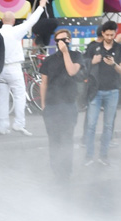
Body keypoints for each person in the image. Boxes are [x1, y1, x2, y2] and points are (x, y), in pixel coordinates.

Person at [0, 0, 48, 136]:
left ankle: (2, 126)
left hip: (0, 69)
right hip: (14, 67)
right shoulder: (15, 31)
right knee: (19, 96)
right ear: (13, 21)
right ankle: (18, 124)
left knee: (2, 98)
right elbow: (31, 21)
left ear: (1, 20)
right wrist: (41, 6)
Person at [38, 28, 83, 183]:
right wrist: (43, 105)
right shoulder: (49, 60)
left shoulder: (76, 56)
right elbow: (44, 83)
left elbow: (72, 71)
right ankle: (56, 170)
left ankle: (66, 171)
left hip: (69, 105)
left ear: (69, 40)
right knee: (54, 139)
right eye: (57, 41)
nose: (60, 43)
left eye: (63, 40)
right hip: (52, 106)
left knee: (67, 139)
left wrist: (65, 53)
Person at [82, 21, 121, 166]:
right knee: (91, 125)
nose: (109, 37)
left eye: (112, 34)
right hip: (95, 91)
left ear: (115, 33)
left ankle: (104, 155)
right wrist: (93, 61)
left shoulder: (120, 49)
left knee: (108, 126)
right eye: (107, 34)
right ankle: (89, 156)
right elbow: (83, 64)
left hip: (112, 91)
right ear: (102, 33)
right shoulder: (93, 47)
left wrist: (114, 64)